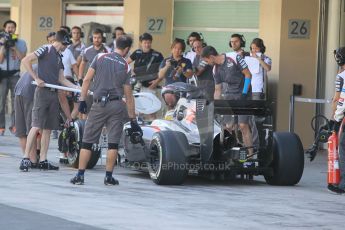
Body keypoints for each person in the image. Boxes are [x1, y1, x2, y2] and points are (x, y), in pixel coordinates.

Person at [70, 35, 142, 185]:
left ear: (115, 44)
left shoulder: (100, 56)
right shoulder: (126, 66)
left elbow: (87, 79)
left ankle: (80, 176)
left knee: (87, 142)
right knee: (113, 143)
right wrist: (133, 119)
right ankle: (108, 177)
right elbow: (129, 95)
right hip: (116, 106)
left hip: (98, 105)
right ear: (127, 49)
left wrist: (82, 100)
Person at [19, 30, 78, 171]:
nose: (66, 47)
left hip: (54, 93)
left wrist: (78, 87)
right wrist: (36, 78)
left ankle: (44, 159)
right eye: (66, 44)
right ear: (63, 41)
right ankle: (25, 158)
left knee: (48, 128)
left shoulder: (60, 57)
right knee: (36, 125)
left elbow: (61, 79)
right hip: (42, 92)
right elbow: (25, 60)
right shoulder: (45, 49)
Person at [201, 46, 254, 163]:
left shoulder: (234, 57)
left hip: (243, 94)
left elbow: (248, 75)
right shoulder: (215, 69)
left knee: (243, 125)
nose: (206, 63)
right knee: (228, 127)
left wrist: (244, 93)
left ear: (211, 57)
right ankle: (232, 155)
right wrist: (216, 105)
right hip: (230, 95)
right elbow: (218, 90)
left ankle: (250, 156)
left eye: (206, 60)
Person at [126, 32, 164, 119]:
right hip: (137, 86)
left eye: (149, 42)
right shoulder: (137, 52)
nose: (147, 45)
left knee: (150, 111)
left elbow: (163, 70)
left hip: (150, 86)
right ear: (141, 43)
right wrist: (131, 72)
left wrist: (157, 81)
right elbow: (126, 63)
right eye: (145, 42)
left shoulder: (157, 55)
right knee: (135, 111)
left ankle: (154, 129)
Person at [0, 20, 27, 135]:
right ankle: (1, 126)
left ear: (15, 29)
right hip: (2, 75)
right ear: (4, 29)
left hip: (15, 75)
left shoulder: (21, 42)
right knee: (1, 102)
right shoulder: (1, 41)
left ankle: (14, 125)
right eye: (8, 27)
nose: (10, 29)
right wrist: (3, 46)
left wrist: (14, 47)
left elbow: (23, 59)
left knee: (16, 101)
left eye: (12, 27)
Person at [150, 38, 193, 110]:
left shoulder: (186, 61)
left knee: (181, 111)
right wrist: (167, 66)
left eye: (179, 49)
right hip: (168, 91)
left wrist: (183, 71)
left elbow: (190, 74)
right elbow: (160, 75)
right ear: (171, 49)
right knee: (169, 111)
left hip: (181, 91)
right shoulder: (166, 61)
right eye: (175, 48)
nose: (177, 50)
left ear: (182, 50)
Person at [14, 64, 39, 167]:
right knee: (31, 129)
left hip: (18, 90)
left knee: (21, 129)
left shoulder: (36, 64)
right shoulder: (49, 66)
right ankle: (32, 160)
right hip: (29, 92)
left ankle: (27, 158)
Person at [328, 47, 345, 194]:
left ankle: (343, 184)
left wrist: (335, 118)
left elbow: (339, 99)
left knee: (343, 148)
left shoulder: (342, 76)